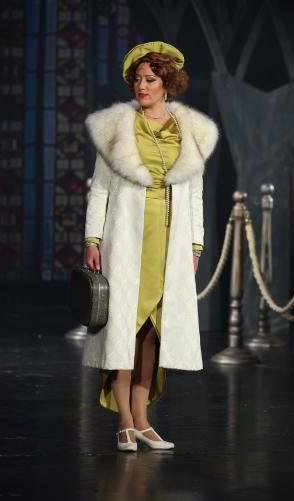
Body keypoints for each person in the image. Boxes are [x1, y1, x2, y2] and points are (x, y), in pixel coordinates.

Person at [82, 41, 218, 450]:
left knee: (152, 333)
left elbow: (195, 192)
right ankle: (123, 419)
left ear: (167, 84)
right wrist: (92, 238)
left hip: (169, 243)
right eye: (138, 79)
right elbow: (100, 188)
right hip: (126, 239)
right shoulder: (118, 128)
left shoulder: (188, 131)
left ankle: (141, 418)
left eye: (151, 79)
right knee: (123, 328)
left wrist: (196, 245)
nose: (142, 86)